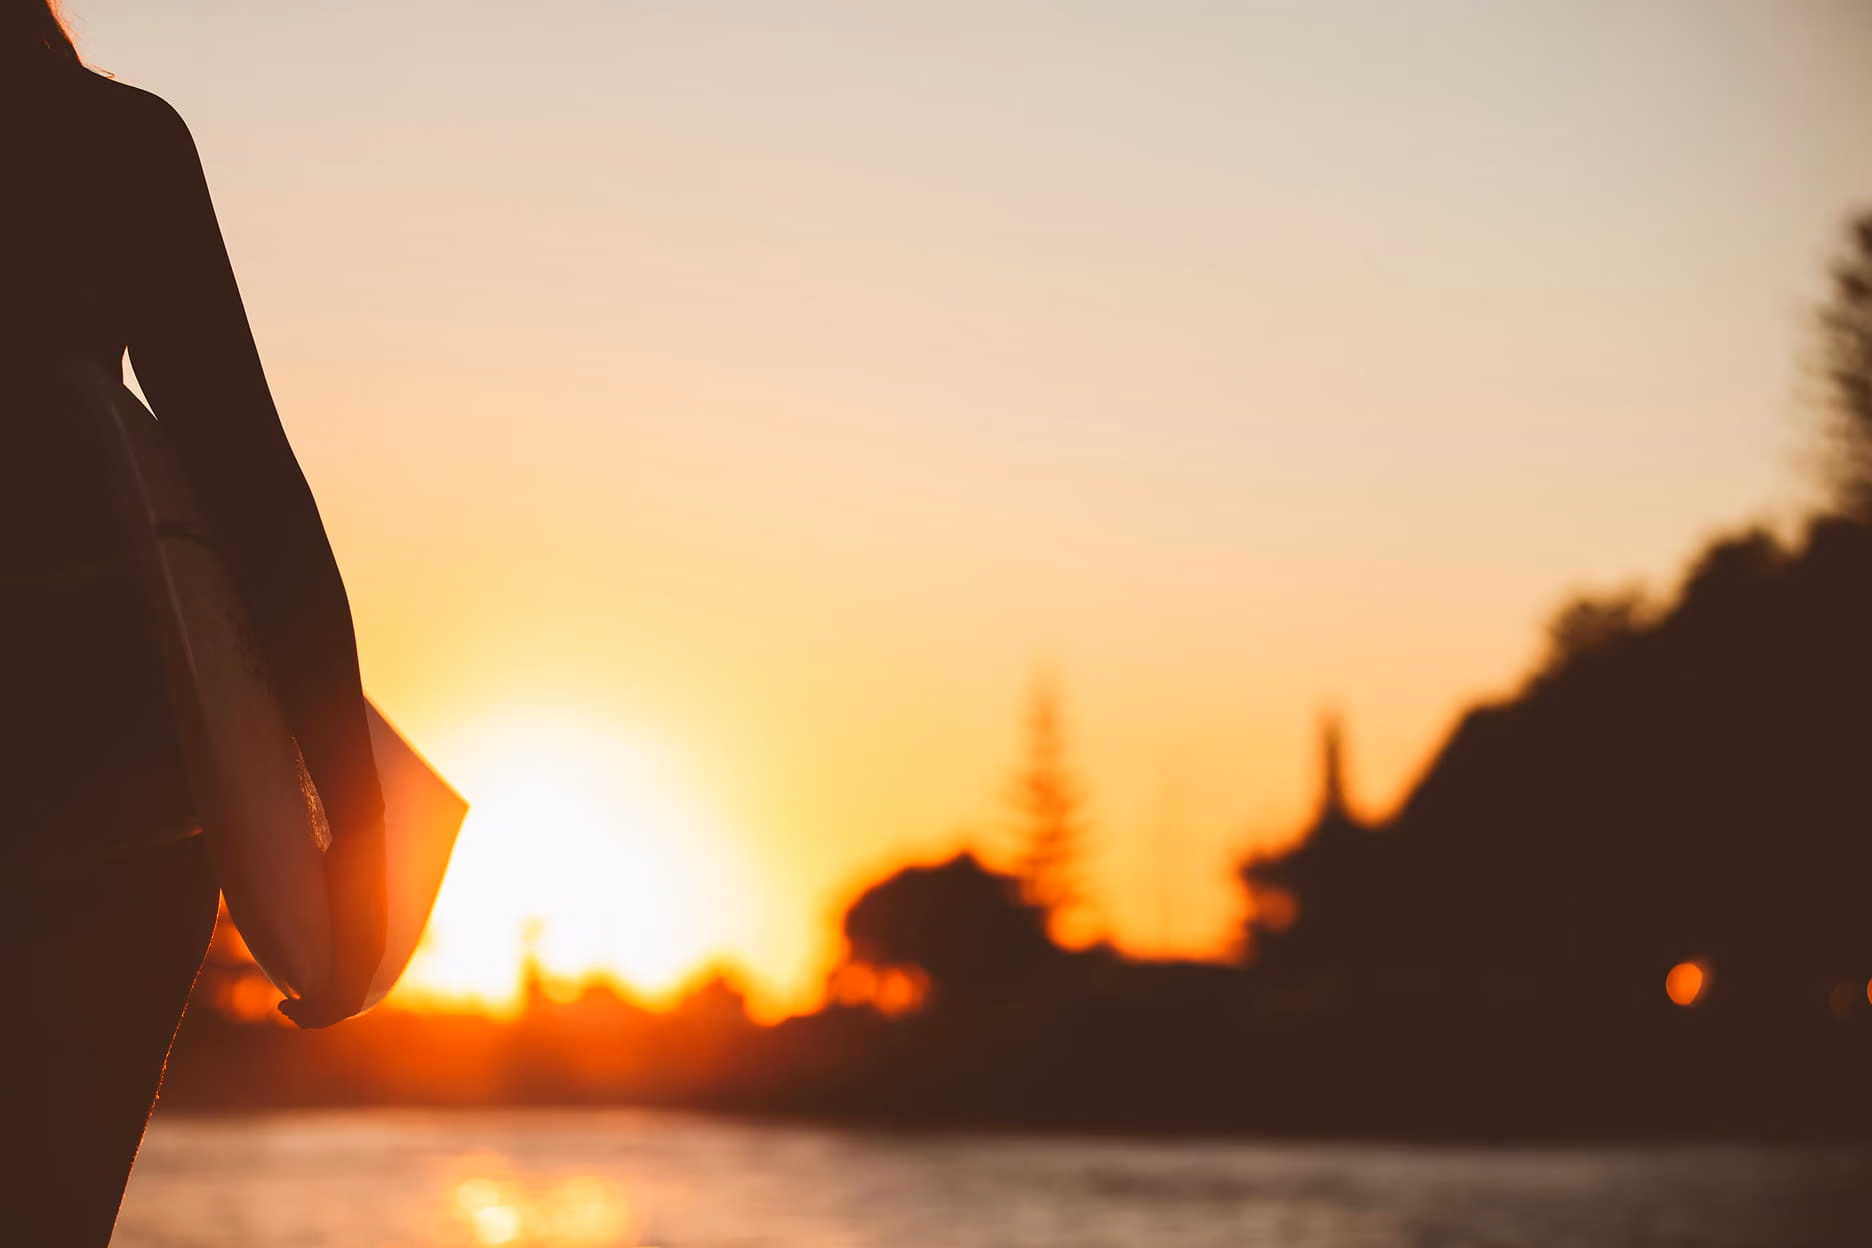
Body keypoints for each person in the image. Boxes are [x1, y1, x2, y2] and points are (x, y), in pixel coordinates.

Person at [1, 2, 387, 1238]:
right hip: (105, 794)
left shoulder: (119, 142)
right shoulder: (111, 142)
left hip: (108, 817)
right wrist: (351, 817)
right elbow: (244, 479)